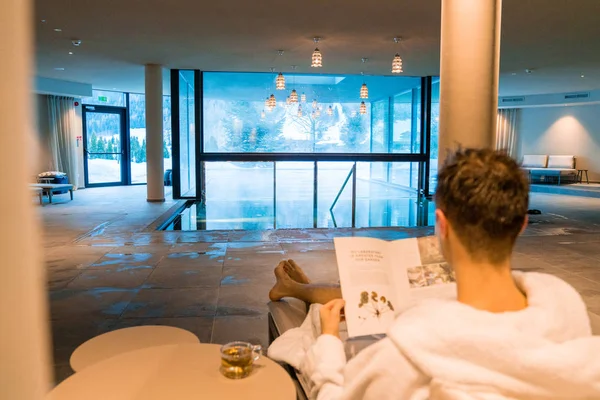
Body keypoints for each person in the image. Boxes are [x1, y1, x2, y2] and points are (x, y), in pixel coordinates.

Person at [269, 148, 600, 399]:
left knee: (324, 324)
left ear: (442, 226)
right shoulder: (569, 318)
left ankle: (303, 297)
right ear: (522, 224)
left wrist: (327, 345)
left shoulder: (406, 357)